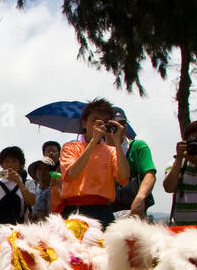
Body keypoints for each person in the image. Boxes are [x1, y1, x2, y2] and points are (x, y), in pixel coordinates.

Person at [56, 97, 130, 227]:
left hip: (103, 210)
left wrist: (118, 141)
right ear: (84, 123)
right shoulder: (70, 147)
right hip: (75, 210)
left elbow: (124, 177)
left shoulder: (111, 151)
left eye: (105, 122)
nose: (100, 125)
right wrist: (93, 141)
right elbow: (72, 173)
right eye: (95, 120)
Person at [108, 106, 156, 219]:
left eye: (123, 123)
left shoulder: (138, 147)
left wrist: (140, 197)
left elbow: (150, 174)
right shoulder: (98, 151)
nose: (120, 127)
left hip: (133, 210)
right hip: (106, 211)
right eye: (114, 124)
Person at [0, 145, 33, 226]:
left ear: (21, 164)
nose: (10, 164)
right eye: (6, 161)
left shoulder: (28, 183)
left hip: (21, 228)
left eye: (14, 161)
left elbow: (32, 201)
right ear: (1, 164)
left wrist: (19, 182)